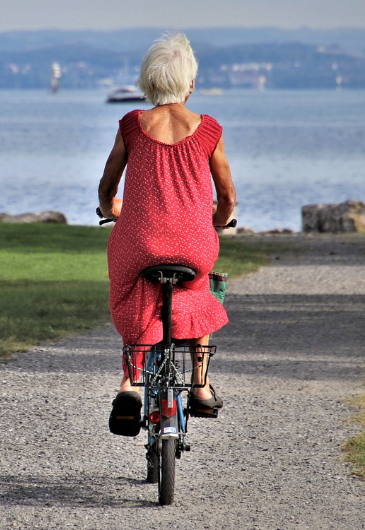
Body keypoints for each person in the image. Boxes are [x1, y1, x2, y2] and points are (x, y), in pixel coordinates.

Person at [98, 33, 236, 434]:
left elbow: (108, 189)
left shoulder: (132, 125)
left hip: (139, 243)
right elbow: (226, 196)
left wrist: (112, 211)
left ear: (147, 82)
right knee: (198, 291)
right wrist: (220, 219)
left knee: (136, 288)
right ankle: (201, 384)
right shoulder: (208, 129)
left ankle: (131, 385)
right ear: (189, 83)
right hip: (193, 246)